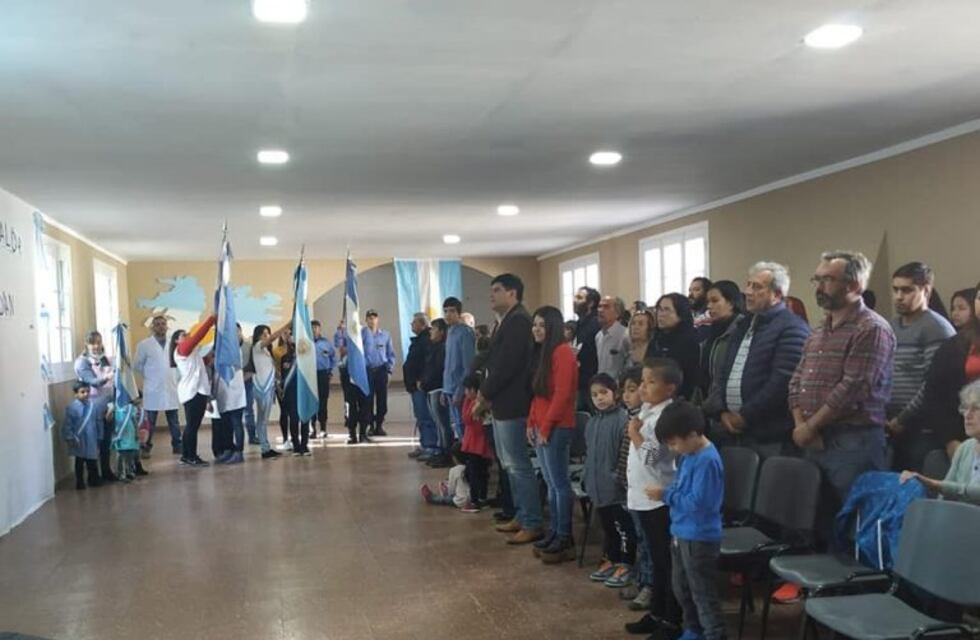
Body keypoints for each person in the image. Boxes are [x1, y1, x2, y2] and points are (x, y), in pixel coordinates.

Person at [789, 251, 896, 537]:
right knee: (817, 521)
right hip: (813, 440)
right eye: (817, 279)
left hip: (853, 442)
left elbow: (852, 389)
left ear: (854, 285)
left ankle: (861, 582)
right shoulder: (818, 330)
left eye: (827, 280)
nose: (819, 287)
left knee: (857, 525)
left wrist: (809, 426)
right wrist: (801, 425)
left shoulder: (871, 328)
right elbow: (797, 379)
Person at [703, 262, 810, 458]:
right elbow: (723, 372)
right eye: (748, 285)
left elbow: (782, 381)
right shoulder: (743, 324)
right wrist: (721, 412)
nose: (747, 292)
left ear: (777, 294)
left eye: (757, 287)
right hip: (731, 431)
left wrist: (745, 415)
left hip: (769, 434)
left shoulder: (792, 328)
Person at [648, 401, 726, 640]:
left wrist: (666, 495)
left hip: (699, 537)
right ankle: (694, 630)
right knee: (681, 589)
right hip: (682, 532)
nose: (672, 449)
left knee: (702, 593)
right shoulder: (689, 454)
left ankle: (715, 634)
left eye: (673, 443)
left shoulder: (707, 460)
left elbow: (699, 504)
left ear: (692, 434)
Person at [481, 274, 542, 544]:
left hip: (513, 403)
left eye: (497, 290)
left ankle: (532, 521)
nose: (491, 295)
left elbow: (506, 365)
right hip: (503, 402)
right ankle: (521, 513)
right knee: (509, 464)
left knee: (518, 465)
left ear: (513, 293)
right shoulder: (507, 320)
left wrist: (484, 394)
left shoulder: (518, 321)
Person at [624, 358, 682, 637]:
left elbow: (650, 457)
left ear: (669, 388)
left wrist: (634, 433)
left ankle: (671, 619)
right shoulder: (648, 410)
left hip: (659, 499)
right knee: (657, 560)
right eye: (643, 381)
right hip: (643, 496)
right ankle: (657, 612)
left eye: (651, 382)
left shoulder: (666, 417)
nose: (644, 387)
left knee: (665, 561)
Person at [885, 262, 957, 471]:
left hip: (922, 429)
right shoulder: (891, 326)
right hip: (890, 426)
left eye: (907, 290)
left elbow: (933, 385)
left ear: (926, 290)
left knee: (916, 489)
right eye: (895, 289)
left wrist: (902, 419)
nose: (899, 296)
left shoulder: (937, 328)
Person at [904, 283, 980, 459]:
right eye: (978, 297)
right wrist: (949, 440)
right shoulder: (955, 346)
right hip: (962, 434)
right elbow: (934, 394)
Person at [527, 305, 579, 563]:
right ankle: (554, 531)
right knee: (549, 483)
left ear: (553, 328)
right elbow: (538, 394)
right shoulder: (543, 353)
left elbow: (562, 395)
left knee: (559, 485)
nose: (536, 329)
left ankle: (565, 535)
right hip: (542, 425)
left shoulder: (563, 353)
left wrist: (545, 428)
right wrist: (531, 423)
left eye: (541, 325)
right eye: (534, 324)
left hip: (557, 426)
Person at [581, 373, 636, 584]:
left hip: (616, 489)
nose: (599, 398)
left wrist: (617, 478)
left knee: (624, 528)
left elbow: (625, 456)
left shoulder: (623, 420)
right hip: (598, 487)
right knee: (608, 527)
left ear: (615, 393)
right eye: (595, 394)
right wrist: (587, 475)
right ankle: (611, 559)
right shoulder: (592, 423)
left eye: (604, 392)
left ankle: (627, 563)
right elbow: (590, 454)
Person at [901, 379, 980, 504]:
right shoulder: (965, 448)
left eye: (975, 409)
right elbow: (944, 499)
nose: (967, 415)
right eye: (965, 408)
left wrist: (935, 484)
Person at [615, 367, 654, 610]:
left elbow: (651, 457)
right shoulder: (630, 417)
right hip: (630, 487)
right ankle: (642, 579)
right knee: (639, 537)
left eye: (632, 389)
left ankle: (650, 585)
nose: (627, 395)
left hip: (647, 491)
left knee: (648, 540)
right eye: (624, 391)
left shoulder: (646, 421)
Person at [134, 315, 182, 455]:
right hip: (153, 388)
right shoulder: (144, 345)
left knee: (174, 420)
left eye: (163, 324)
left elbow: (179, 363)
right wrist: (150, 376)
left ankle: (177, 445)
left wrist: (176, 377)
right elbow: (137, 365)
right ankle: (146, 446)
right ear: (152, 327)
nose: (161, 326)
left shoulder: (173, 344)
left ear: (167, 326)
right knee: (150, 421)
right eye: (158, 324)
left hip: (170, 386)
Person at [74, 331, 117, 482]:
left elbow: (112, 385)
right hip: (90, 408)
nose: (96, 346)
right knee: (92, 442)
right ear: (86, 344)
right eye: (93, 343)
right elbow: (93, 382)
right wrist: (108, 377)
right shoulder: (82, 362)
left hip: (107, 407)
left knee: (106, 441)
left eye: (98, 342)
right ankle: (93, 475)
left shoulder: (105, 359)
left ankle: (106, 471)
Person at [173, 315, 216, 466]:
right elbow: (199, 336)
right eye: (183, 335)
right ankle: (191, 456)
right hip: (193, 392)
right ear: (176, 341)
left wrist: (207, 360)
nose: (187, 336)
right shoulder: (182, 348)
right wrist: (212, 320)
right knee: (193, 425)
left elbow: (197, 365)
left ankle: (187, 455)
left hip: (197, 391)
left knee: (192, 425)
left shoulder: (191, 352)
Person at [645, 293, 701, 400]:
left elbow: (690, 379)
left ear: (680, 314)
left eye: (667, 310)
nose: (661, 314)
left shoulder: (690, 341)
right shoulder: (656, 339)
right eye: (659, 309)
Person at [698, 280, 745, 397]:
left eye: (715, 301)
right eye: (708, 302)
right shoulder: (711, 331)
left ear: (731, 303)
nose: (709, 306)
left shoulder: (742, 331)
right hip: (709, 401)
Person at [247, 324, 286, 460]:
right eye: (263, 333)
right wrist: (287, 325)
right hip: (262, 388)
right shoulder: (258, 346)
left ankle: (266, 447)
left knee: (263, 420)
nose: (266, 336)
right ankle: (265, 449)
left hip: (268, 387)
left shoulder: (266, 352)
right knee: (262, 420)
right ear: (257, 336)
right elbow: (274, 337)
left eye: (267, 333)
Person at [404, 313, 438, 459]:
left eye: (414, 322)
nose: (411, 324)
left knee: (426, 417)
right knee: (421, 416)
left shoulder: (426, 340)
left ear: (423, 324)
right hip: (414, 385)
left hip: (421, 385)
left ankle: (431, 446)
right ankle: (425, 444)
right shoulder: (419, 340)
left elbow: (428, 363)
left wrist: (421, 380)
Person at [442, 297, 476, 440]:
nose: (448, 315)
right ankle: (463, 457)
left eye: (452, 311)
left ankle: (469, 459)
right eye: (445, 311)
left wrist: (460, 390)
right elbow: (448, 364)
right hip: (449, 387)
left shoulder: (465, 332)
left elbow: (468, 365)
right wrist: (445, 389)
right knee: (457, 425)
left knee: (464, 425)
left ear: (459, 313)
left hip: (459, 388)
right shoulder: (450, 332)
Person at [460, 373, 494, 505]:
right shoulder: (473, 402)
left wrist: (469, 402)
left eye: (468, 390)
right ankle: (481, 496)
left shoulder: (478, 404)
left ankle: (475, 499)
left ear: (474, 390)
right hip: (475, 444)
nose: (466, 393)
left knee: (476, 473)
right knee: (480, 472)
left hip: (477, 444)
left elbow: (467, 418)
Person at [62, 381, 102, 489]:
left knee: (92, 460)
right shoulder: (71, 408)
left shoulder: (93, 406)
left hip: (92, 438)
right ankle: (79, 481)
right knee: (79, 461)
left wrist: (99, 436)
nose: (86, 394)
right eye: (82, 392)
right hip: (79, 439)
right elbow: (67, 424)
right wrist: (70, 437)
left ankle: (93, 479)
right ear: (76, 394)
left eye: (88, 391)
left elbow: (98, 421)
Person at [362, 310, 396, 437]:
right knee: (368, 400)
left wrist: (389, 370)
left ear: (378, 319)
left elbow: (390, 354)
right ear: (366, 320)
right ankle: (371, 426)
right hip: (367, 371)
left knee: (382, 400)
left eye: (374, 318)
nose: (372, 320)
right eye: (369, 318)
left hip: (381, 370)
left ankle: (379, 425)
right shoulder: (362, 334)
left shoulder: (385, 335)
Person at [422, 318, 451, 465]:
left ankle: (446, 453)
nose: (430, 332)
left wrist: (427, 381)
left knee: (443, 423)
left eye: (433, 329)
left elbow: (438, 369)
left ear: (441, 332)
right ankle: (441, 450)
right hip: (431, 389)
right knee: (438, 423)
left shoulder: (442, 348)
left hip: (438, 388)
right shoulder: (433, 347)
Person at [420, 445, 480, 513]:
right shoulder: (471, 468)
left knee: (444, 499)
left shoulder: (454, 470)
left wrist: (448, 491)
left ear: (454, 458)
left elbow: (452, 490)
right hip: (474, 499)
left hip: (461, 501)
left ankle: (431, 498)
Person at [573, 286, 602, 411]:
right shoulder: (579, 324)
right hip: (579, 381)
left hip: (591, 381)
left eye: (579, 298)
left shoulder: (595, 324)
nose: (574, 301)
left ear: (590, 303)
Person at [310, 320, 337, 439]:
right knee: (311, 402)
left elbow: (333, 358)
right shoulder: (305, 342)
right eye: (312, 327)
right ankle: (312, 429)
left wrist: (330, 372)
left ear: (320, 329)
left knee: (323, 402)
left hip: (323, 375)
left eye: (316, 327)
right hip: (310, 375)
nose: (314, 329)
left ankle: (323, 428)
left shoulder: (326, 343)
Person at [596, 296, 632, 381]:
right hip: (601, 386)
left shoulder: (625, 335)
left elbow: (629, 365)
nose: (600, 310)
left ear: (617, 313)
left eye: (606, 307)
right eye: (599, 306)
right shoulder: (598, 336)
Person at [111, 396, 143, 482]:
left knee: (130, 454)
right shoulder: (114, 407)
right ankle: (121, 474)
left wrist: (136, 433)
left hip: (130, 434)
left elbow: (134, 421)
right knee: (121, 455)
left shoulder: (130, 408)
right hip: (120, 435)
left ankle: (129, 471)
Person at [237, 323, 258, 446]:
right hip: (232, 385)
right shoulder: (228, 346)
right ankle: (237, 439)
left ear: (241, 331)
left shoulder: (249, 346)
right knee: (235, 413)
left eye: (237, 331)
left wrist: (243, 379)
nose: (235, 334)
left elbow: (252, 366)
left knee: (248, 410)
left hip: (247, 381)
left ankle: (252, 436)